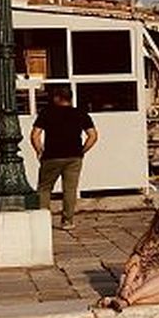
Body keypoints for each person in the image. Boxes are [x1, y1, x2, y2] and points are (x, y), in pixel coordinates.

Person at [29, 85, 98, 230]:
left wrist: (39, 150)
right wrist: (82, 150)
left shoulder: (47, 113)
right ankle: (67, 221)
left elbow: (35, 135)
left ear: (57, 98)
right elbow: (93, 136)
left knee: (44, 188)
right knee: (70, 189)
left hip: (52, 156)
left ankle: (43, 220)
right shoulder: (80, 113)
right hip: (74, 157)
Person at [99, 203, 159, 311]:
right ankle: (128, 299)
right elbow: (136, 264)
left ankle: (124, 301)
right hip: (143, 280)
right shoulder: (155, 242)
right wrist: (127, 286)